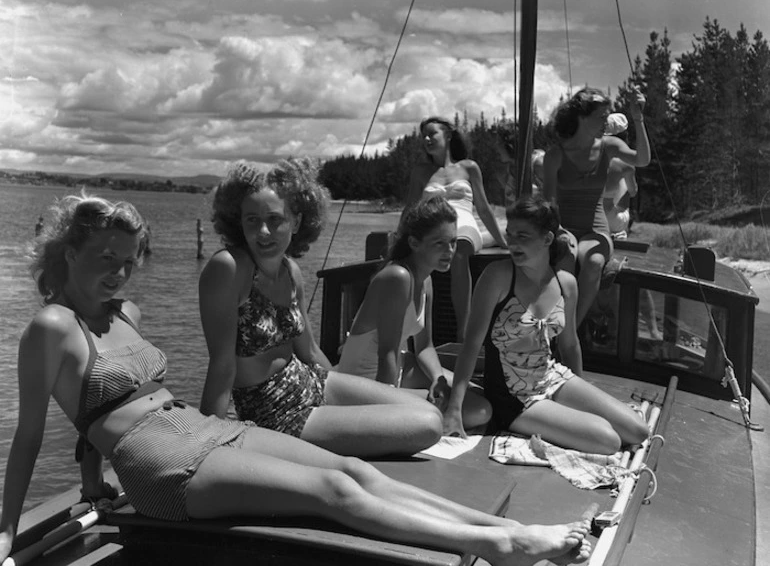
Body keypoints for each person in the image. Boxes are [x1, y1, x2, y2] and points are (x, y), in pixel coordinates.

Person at [0, 191, 593, 566]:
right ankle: (498, 547)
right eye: (106, 257)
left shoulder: (127, 312)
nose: (120, 272)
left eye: (130, 260)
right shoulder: (52, 325)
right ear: (68, 250)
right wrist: (6, 531)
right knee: (328, 495)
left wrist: (89, 482)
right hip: (155, 459)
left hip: (196, 425)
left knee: (352, 470)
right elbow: (34, 434)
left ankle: (504, 526)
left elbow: (85, 409)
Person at [198, 159, 442, 458]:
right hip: (276, 414)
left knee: (428, 410)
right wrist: (207, 448)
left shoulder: (291, 272)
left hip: (312, 383)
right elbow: (222, 365)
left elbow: (310, 351)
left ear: (297, 221)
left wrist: (343, 394)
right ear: (239, 221)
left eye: (275, 220)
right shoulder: (228, 269)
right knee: (428, 426)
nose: (263, 232)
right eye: (252, 220)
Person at [442, 195, 649, 455]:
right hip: (514, 398)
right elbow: (471, 346)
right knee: (608, 440)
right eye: (509, 235)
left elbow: (570, 344)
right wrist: (454, 409)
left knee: (638, 430)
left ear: (547, 239)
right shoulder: (498, 276)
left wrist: (580, 401)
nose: (512, 243)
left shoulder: (566, 283)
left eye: (523, 236)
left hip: (553, 377)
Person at [337, 196, 492, 430]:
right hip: (366, 382)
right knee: (479, 412)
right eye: (439, 243)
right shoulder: (397, 278)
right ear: (414, 242)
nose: (449, 251)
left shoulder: (426, 280)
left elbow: (424, 346)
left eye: (452, 242)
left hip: (398, 368)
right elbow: (386, 352)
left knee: (472, 395)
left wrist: (438, 380)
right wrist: (387, 410)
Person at [543, 88, 650, 326]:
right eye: (601, 116)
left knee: (593, 262)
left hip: (597, 229)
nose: (606, 121)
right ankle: (559, 324)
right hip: (564, 227)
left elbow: (642, 159)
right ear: (582, 118)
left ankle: (570, 329)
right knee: (566, 256)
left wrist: (638, 117)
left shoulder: (609, 146)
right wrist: (556, 230)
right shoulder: (555, 155)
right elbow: (547, 202)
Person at [405, 116, 507, 341]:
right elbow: (411, 208)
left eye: (433, 133)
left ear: (448, 135)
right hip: (433, 226)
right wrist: (400, 237)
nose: (427, 139)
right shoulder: (421, 171)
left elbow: (483, 207)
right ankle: (414, 331)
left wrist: (502, 240)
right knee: (412, 260)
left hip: (463, 223)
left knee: (458, 250)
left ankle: (464, 331)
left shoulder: (469, 167)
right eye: (424, 136)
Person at [601, 113, 637, 240]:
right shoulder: (626, 163)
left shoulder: (590, 157)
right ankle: (620, 232)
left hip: (591, 216)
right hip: (612, 219)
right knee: (627, 188)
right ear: (625, 137)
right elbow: (633, 192)